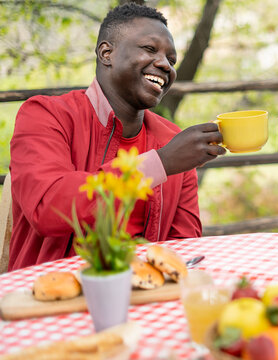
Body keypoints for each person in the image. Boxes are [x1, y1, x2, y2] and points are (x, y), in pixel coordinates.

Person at [8, 3, 226, 270]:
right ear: (106, 53)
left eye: (171, 59)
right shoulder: (46, 115)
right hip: (52, 292)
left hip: (146, 292)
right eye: (150, 49)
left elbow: (185, 246)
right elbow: (48, 208)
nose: (165, 65)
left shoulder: (171, 139)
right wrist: (160, 164)